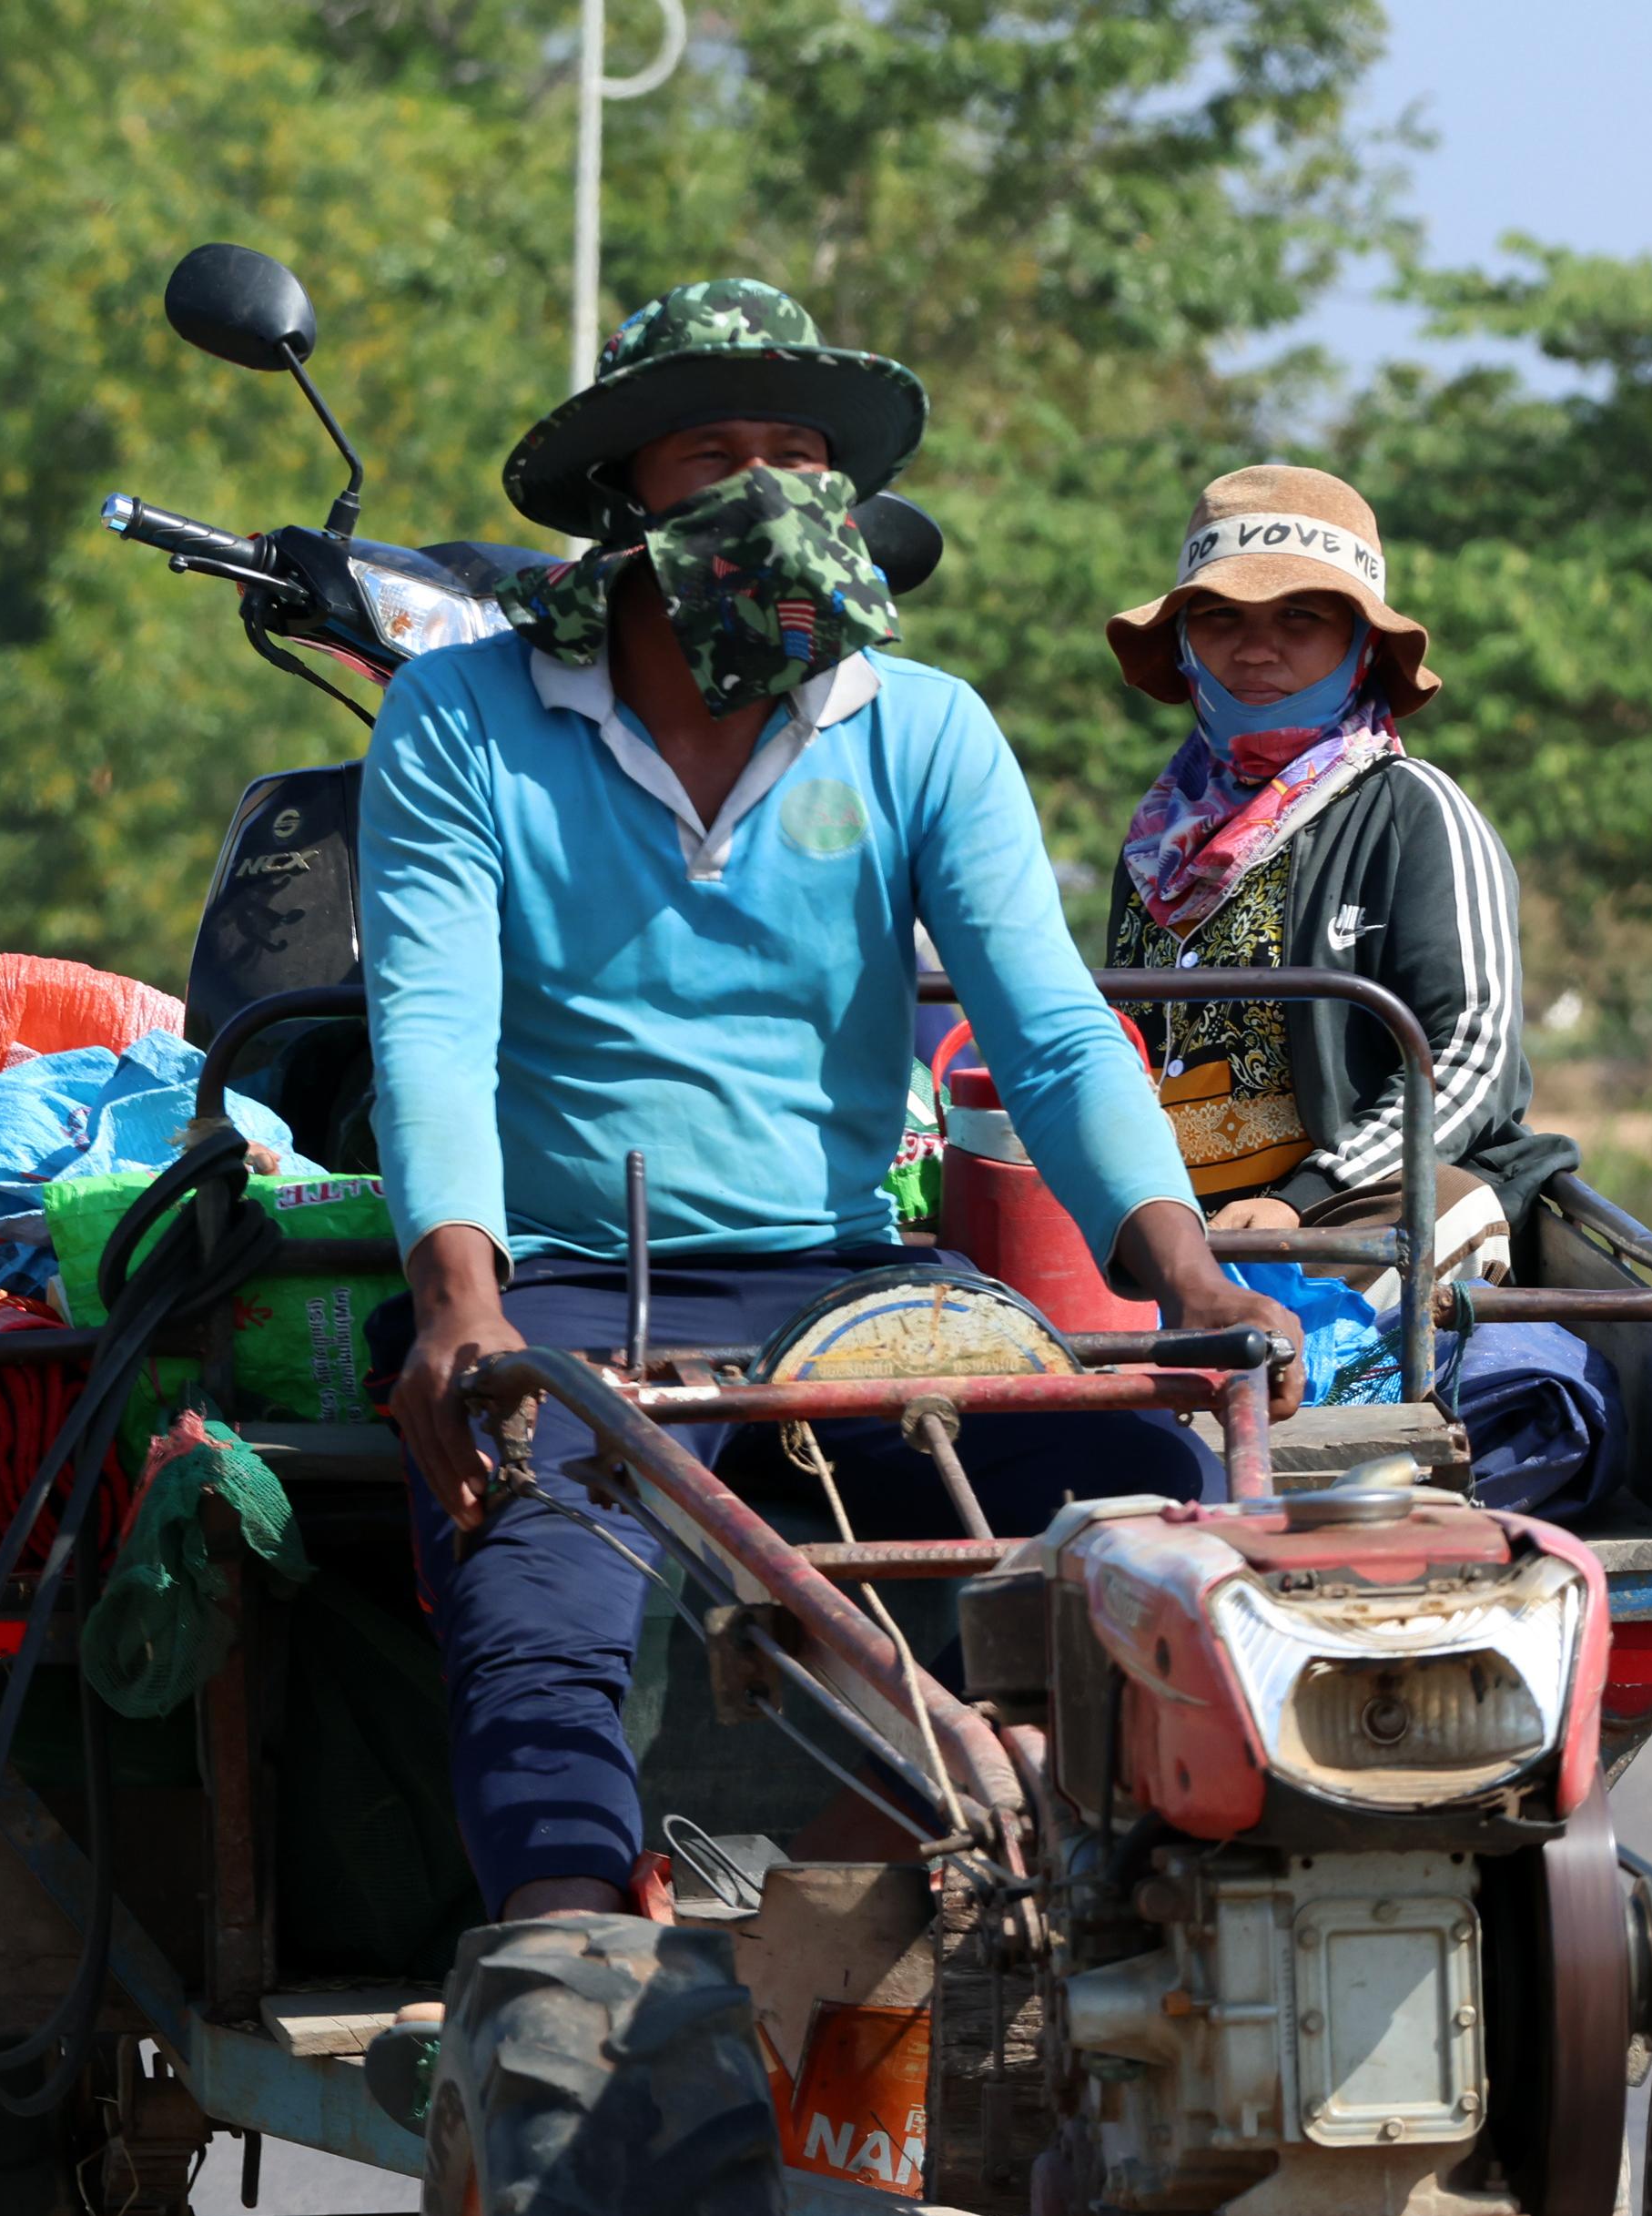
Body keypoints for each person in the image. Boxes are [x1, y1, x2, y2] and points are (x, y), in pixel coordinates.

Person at [366, 279, 1299, 1924]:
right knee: (538, 1647)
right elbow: (431, 1024)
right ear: (621, 502)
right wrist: (457, 1307)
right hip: (576, 1300)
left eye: (794, 454)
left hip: (856, 1292)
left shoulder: (920, 727)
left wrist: (1192, 1279)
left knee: (1149, 1546)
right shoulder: (464, 718)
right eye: (707, 452)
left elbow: (1057, 1036)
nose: (760, 490)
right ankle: (573, 1990)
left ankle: (1008, 1932)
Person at [1100, 466, 1609, 1507]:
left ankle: (1268, 1420)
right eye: (1223, 617)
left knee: (1454, 1210)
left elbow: (1467, 1058)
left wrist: (1290, 1206)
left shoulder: (1416, 811)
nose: (1259, 645)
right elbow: (1111, 1055)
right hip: (1179, 1227)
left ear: (1362, 644)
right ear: (1186, 642)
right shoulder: (1155, 847)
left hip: (1348, 1213)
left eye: (1302, 617)